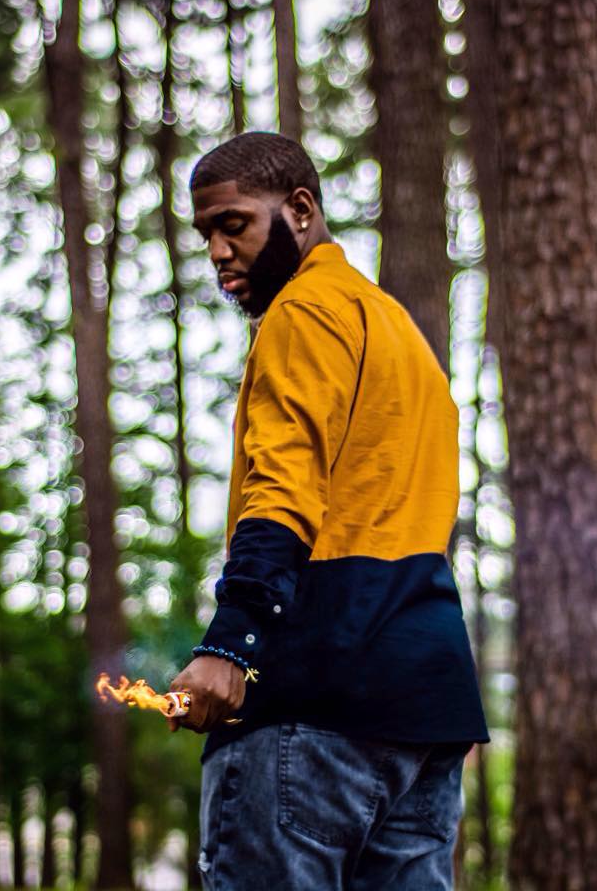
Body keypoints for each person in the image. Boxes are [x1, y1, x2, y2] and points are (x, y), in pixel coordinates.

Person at [167, 132, 489, 890]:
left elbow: (282, 490)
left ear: (301, 210)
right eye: (206, 234)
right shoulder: (396, 330)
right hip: (425, 706)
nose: (217, 252)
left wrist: (233, 644)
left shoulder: (302, 314)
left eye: (234, 225)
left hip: (312, 702)